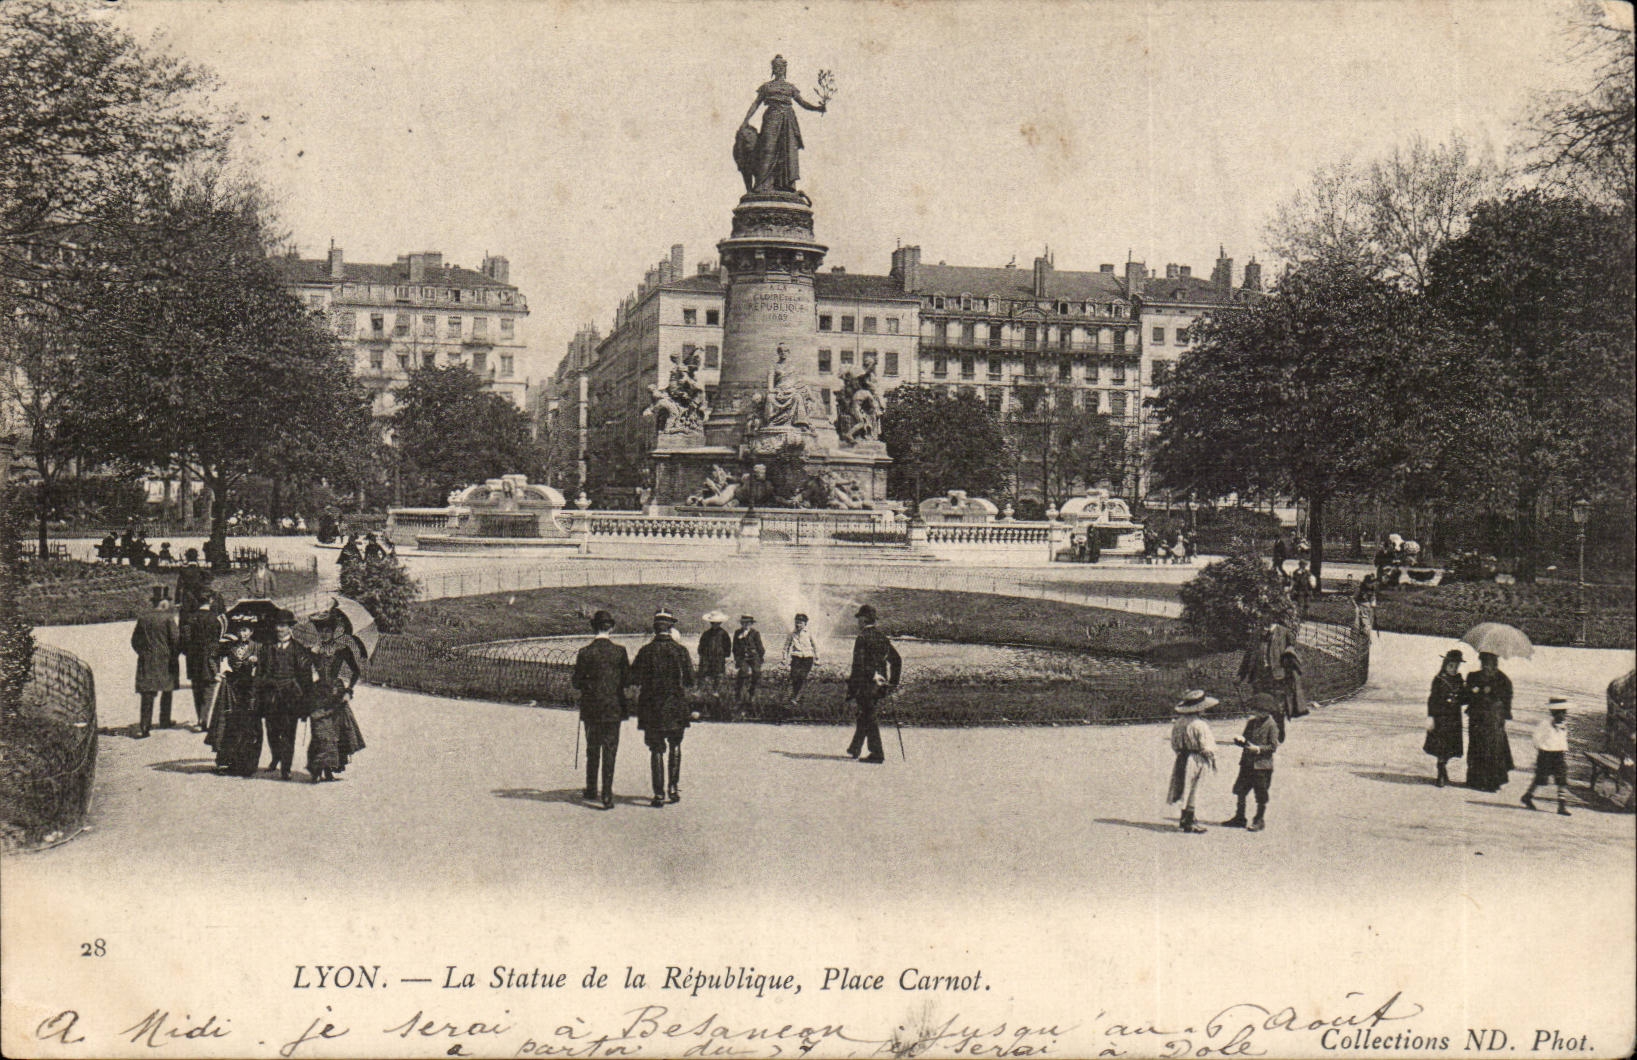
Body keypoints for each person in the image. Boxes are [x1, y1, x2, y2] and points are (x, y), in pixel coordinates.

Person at [629, 609, 695, 807]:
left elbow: (634, 678)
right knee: (675, 745)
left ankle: (658, 794)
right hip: (675, 706)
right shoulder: (681, 650)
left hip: (651, 707)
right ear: (671, 627)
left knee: (656, 749)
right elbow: (691, 680)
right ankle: (673, 789)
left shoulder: (646, 651)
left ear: (655, 628)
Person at [736, 54, 827, 194]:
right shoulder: (766, 87)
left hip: (788, 120)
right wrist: (745, 120)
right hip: (772, 118)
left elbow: (802, 103)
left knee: (788, 151)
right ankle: (762, 184)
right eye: (776, 67)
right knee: (767, 149)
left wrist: (817, 108)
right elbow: (755, 104)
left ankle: (785, 186)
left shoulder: (790, 88)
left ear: (785, 69)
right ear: (773, 69)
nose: (779, 69)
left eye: (781, 67)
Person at [572, 610, 630, 810]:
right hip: (613, 707)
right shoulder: (620, 652)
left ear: (593, 627)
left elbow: (576, 683)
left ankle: (590, 788)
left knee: (592, 747)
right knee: (610, 750)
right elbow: (627, 680)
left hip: (591, 708)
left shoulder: (585, 652)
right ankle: (607, 795)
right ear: (611, 628)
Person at [306, 608, 366, 783]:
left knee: (334, 733)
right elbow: (302, 669)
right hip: (318, 694)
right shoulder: (313, 650)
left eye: (327, 631)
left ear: (333, 632)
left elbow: (356, 672)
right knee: (319, 731)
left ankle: (329, 770)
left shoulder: (342, 650)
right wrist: (310, 656)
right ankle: (317, 768)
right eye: (321, 631)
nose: (324, 634)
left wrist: (348, 691)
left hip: (336, 694)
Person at [256, 609, 315, 780]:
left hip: (291, 697)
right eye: (277, 626)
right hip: (270, 696)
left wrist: (305, 703)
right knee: (272, 730)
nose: (279, 629)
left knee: (289, 732)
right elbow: (260, 672)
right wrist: (260, 691)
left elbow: (306, 679)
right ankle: (276, 756)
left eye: (283, 626)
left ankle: (286, 767)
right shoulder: (267, 648)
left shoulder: (299, 649)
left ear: (290, 628)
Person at [844, 604, 901, 764]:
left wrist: (867, 677)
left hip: (865, 685)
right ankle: (855, 748)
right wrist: (892, 682)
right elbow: (896, 660)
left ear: (863, 620)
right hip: (880, 686)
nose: (857, 623)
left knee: (868, 716)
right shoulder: (882, 638)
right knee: (864, 715)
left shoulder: (862, 638)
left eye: (859, 619)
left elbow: (859, 664)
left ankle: (877, 753)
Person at [208, 621, 262, 776]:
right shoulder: (229, 646)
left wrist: (257, 662)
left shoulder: (258, 647)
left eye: (245, 630)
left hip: (250, 688)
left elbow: (267, 665)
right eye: (240, 630)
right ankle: (224, 762)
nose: (242, 633)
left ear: (251, 631)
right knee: (228, 721)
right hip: (232, 686)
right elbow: (212, 656)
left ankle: (246, 764)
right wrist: (216, 673)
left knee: (249, 724)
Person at [1223, 692, 1282, 831]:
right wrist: (1240, 741)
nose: (1258, 713)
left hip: (1262, 765)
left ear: (1268, 711)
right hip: (1247, 763)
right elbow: (1246, 739)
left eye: (1262, 711)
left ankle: (1259, 819)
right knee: (1240, 790)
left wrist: (1259, 749)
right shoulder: (1251, 723)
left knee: (1260, 793)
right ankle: (1240, 817)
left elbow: (1273, 746)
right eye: (1256, 710)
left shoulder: (1272, 725)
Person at [1166, 689, 1219, 834]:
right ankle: (1190, 820)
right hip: (1197, 758)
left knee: (1184, 786)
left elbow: (1174, 744)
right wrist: (1211, 756)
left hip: (1182, 757)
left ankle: (1184, 819)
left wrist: (1182, 752)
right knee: (1195, 788)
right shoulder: (1200, 725)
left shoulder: (1179, 723)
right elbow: (1207, 746)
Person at [130, 586, 180, 737]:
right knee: (167, 689)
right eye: (167, 601)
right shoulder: (168, 618)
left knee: (147, 693)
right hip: (165, 658)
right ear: (163, 603)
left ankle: (145, 726)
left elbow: (135, 641)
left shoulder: (143, 618)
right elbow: (176, 640)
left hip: (147, 660)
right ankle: (164, 720)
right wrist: (174, 654)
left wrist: (143, 653)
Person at [1464, 651, 1515, 792]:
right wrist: (1477, 691)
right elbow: (1466, 695)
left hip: (1493, 719)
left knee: (1493, 749)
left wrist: (1492, 691)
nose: (1486, 666)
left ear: (1495, 664)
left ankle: (1492, 782)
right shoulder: (1473, 676)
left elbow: (1507, 697)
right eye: (1484, 663)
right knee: (1476, 746)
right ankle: (1475, 780)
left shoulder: (1503, 679)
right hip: (1477, 718)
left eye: (1490, 663)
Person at [1424, 649, 1467, 786]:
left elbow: (1464, 698)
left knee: (1450, 746)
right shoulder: (1439, 680)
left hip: (1454, 718)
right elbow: (1432, 699)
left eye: (1456, 666)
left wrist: (1467, 694)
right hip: (1440, 717)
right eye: (1451, 665)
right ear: (1445, 664)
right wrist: (1431, 716)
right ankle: (1441, 772)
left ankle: (1443, 768)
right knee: (1441, 746)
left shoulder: (1459, 680)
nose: (1453, 669)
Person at [180, 597, 224, 732]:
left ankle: (200, 717)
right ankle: (203, 719)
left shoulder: (189, 619)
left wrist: (189, 652)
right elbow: (219, 639)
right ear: (210, 601)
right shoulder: (216, 619)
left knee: (197, 688)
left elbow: (184, 641)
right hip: (210, 657)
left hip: (193, 659)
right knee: (209, 688)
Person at [1522, 699, 1573, 816]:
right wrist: (1542, 747)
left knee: (1562, 777)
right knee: (1541, 777)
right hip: (1546, 754)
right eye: (1560, 713)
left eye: (1564, 712)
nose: (1563, 715)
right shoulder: (1545, 724)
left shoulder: (1563, 725)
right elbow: (1536, 738)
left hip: (1559, 754)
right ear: (1554, 713)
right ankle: (1528, 796)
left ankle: (1562, 805)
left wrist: (1564, 748)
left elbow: (1562, 740)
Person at [696, 611, 732, 720]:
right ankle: (700, 693)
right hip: (707, 659)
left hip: (718, 660)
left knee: (718, 677)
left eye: (716, 623)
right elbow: (701, 647)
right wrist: (704, 655)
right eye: (712, 623)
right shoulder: (706, 634)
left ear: (720, 623)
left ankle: (716, 696)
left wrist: (721, 655)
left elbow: (727, 648)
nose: (714, 625)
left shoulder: (724, 634)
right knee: (702, 676)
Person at [783, 612, 819, 715]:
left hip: (808, 658)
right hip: (796, 657)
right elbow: (786, 647)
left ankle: (796, 697)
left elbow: (815, 646)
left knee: (802, 676)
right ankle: (795, 696)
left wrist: (817, 658)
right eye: (796, 622)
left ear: (805, 624)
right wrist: (784, 658)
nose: (798, 624)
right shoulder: (792, 633)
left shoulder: (809, 633)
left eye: (800, 622)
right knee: (794, 676)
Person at [732, 614, 765, 715]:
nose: (745, 625)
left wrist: (759, 659)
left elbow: (760, 648)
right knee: (743, 672)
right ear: (741, 623)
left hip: (753, 656)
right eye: (744, 623)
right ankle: (740, 695)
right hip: (742, 658)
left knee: (757, 672)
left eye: (748, 623)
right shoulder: (737, 633)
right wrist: (737, 660)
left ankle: (752, 692)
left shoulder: (755, 633)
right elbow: (735, 648)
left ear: (751, 624)